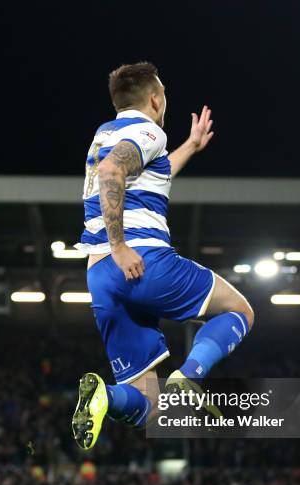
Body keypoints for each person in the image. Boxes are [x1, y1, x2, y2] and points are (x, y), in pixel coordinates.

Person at [72, 62, 254, 450]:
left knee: (150, 413)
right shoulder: (149, 130)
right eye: (165, 93)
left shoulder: (105, 132)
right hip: (141, 262)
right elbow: (111, 172)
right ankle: (190, 374)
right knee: (239, 311)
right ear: (155, 98)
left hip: (100, 276)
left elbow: (148, 171)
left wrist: (190, 145)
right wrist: (120, 246)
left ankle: (105, 395)